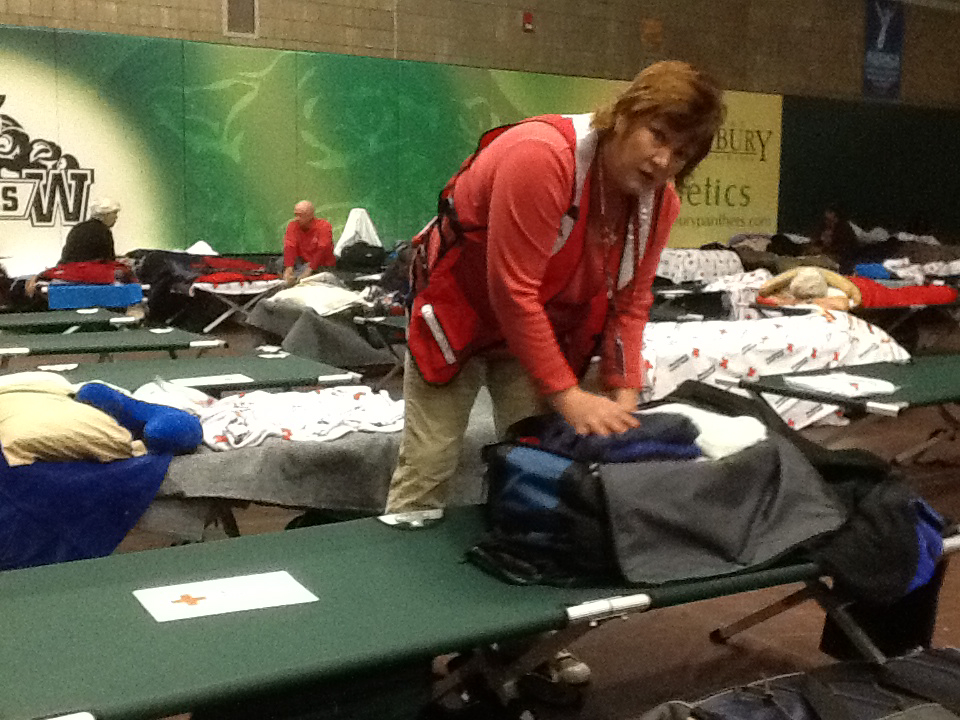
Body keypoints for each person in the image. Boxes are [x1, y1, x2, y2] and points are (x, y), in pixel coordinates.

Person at [387, 59, 724, 693]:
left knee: (536, 470)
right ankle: (397, 650)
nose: (663, 163)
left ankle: (521, 642)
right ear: (624, 114)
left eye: (681, 153)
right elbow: (511, 289)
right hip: (458, 316)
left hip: (533, 332)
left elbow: (631, 301)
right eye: (658, 135)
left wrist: (623, 394)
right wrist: (568, 394)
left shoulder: (659, 203)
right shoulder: (540, 156)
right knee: (429, 464)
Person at [282, 200, 335, 286]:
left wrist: (308, 271)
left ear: (310, 215)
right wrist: (288, 269)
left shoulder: (324, 226)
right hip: (302, 262)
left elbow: (322, 250)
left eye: (300, 215)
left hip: (321, 265)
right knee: (280, 263)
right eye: (296, 215)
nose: (297, 218)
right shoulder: (293, 225)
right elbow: (289, 247)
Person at [59, 197, 121, 264]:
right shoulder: (103, 232)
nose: (116, 217)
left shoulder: (78, 228)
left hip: (69, 269)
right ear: (106, 214)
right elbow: (108, 261)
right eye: (114, 213)